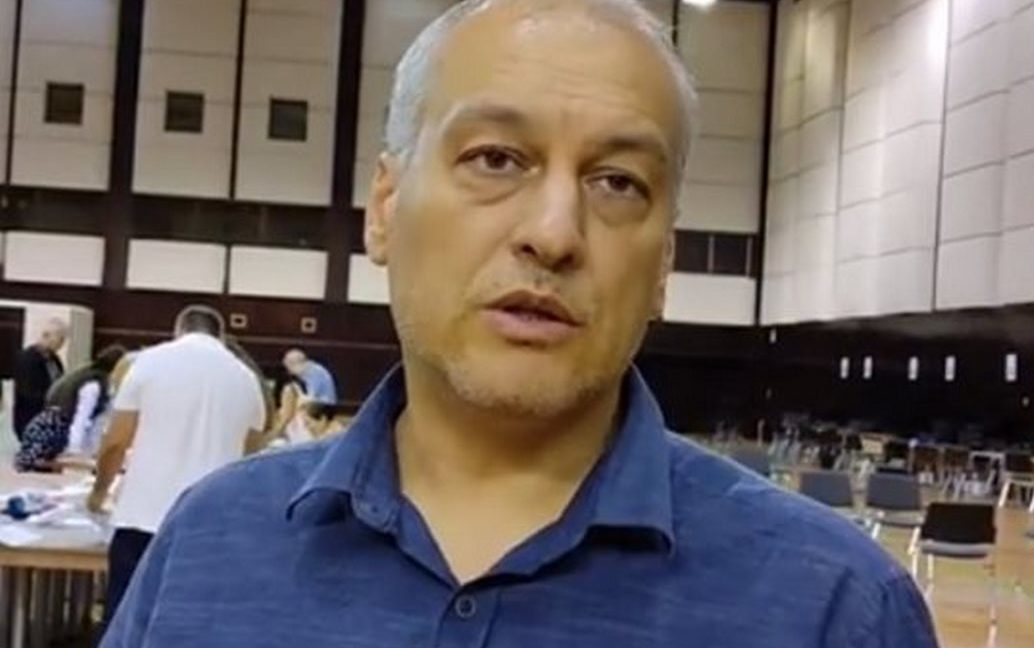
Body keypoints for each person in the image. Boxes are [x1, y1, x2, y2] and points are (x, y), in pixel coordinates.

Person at [103, 2, 939, 647]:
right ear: (384, 209)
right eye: (495, 159)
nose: (554, 232)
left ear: (662, 264)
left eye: (617, 183)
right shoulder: (208, 543)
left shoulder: (835, 609)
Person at [87, 305, 266, 627]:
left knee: (127, 623)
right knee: (191, 625)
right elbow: (251, 456)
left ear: (178, 330)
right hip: (213, 524)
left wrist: (99, 492)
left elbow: (116, 442)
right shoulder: (246, 378)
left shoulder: (148, 363)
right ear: (221, 336)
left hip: (144, 517)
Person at [13, 345, 126, 472]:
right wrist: (75, 449)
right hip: (51, 432)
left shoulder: (95, 380)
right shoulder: (93, 386)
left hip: (53, 429)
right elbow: (81, 419)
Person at [13, 318, 68, 441]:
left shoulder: (55, 360)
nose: (62, 344)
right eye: (60, 339)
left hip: (51, 419)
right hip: (31, 419)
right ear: (47, 336)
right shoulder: (27, 359)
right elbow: (28, 392)